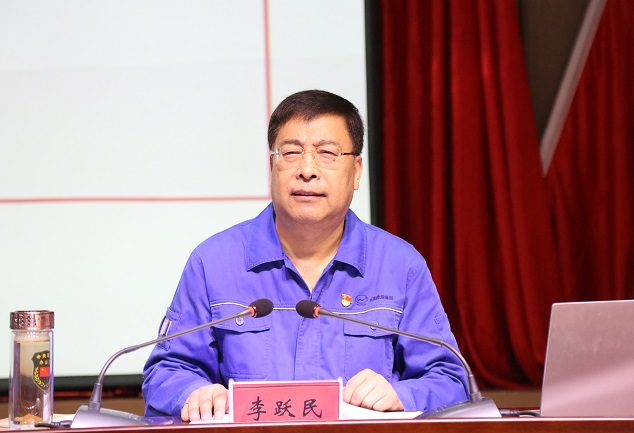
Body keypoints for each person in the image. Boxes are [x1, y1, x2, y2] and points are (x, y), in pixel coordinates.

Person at [142, 89, 468, 421]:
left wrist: (401, 396)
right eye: (291, 152)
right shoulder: (213, 262)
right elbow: (166, 371)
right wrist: (193, 392)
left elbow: (451, 380)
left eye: (327, 153)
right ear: (272, 165)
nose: (307, 169)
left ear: (356, 170)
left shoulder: (400, 265)